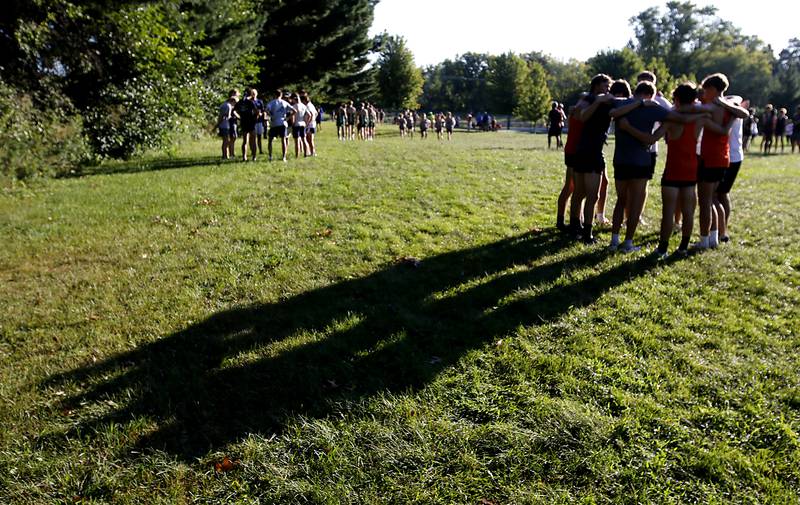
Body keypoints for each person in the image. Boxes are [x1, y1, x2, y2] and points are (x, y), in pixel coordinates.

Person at [608, 80, 703, 253]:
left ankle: (656, 248)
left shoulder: (625, 104)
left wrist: (628, 127)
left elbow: (649, 138)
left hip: (639, 164)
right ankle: (681, 247)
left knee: (625, 201)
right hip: (685, 168)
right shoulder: (696, 118)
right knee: (687, 212)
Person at [694, 73, 749, 250]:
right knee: (714, 199)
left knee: (705, 202)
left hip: (711, 157)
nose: (703, 93)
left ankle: (704, 240)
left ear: (713, 89)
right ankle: (715, 237)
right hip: (722, 158)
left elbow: (725, 128)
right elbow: (741, 113)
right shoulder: (729, 108)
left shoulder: (712, 108)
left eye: (705, 89)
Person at [716, 95, 746, 244]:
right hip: (729, 155)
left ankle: (722, 231)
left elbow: (740, 108)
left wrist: (723, 102)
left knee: (720, 194)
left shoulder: (732, 105)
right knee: (720, 194)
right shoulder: (727, 104)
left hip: (732, 156)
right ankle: (720, 230)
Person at [266, 89, 290, 162]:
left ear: (274, 95)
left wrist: (271, 115)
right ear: (281, 95)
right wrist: (287, 118)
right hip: (282, 123)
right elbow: (294, 111)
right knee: (283, 140)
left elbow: (266, 110)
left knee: (270, 140)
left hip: (274, 123)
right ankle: (284, 157)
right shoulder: (284, 102)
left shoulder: (271, 103)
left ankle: (270, 156)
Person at [238, 88, 260, 162]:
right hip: (251, 122)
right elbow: (257, 111)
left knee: (245, 141)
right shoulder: (250, 102)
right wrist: (256, 117)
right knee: (253, 141)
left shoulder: (240, 102)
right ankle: (254, 157)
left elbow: (233, 111)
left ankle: (244, 157)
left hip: (243, 122)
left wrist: (239, 117)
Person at [217, 89, 239, 160]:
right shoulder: (227, 106)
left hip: (226, 125)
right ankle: (224, 156)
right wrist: (218, 125)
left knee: (226, 141)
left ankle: (226, 155)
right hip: (224, 125)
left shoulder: (226, 105)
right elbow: (223, 116)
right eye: (235, 102)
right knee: (225, 141)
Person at [289, 93, 309, 157]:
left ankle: (297, 155)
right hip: (302, 123)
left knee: (297, 141)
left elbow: (293, 116)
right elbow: (309, 115)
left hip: (296, 124)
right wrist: (306, 122)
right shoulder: (303, 106)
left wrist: (292, 123)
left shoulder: (294, 106)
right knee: (304, 140)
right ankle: (305, 154)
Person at [251, 88, 266, 156]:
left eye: (254, 93)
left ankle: (260, 150)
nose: (253, 95)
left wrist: (263, 117)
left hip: (259, 121)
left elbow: (263, 110)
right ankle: (253, 150)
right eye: (252, 93)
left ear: (256, 94)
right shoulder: (250, 102)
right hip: (252, 121)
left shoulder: (260, 101)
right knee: (252, 137)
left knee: (259, 136)